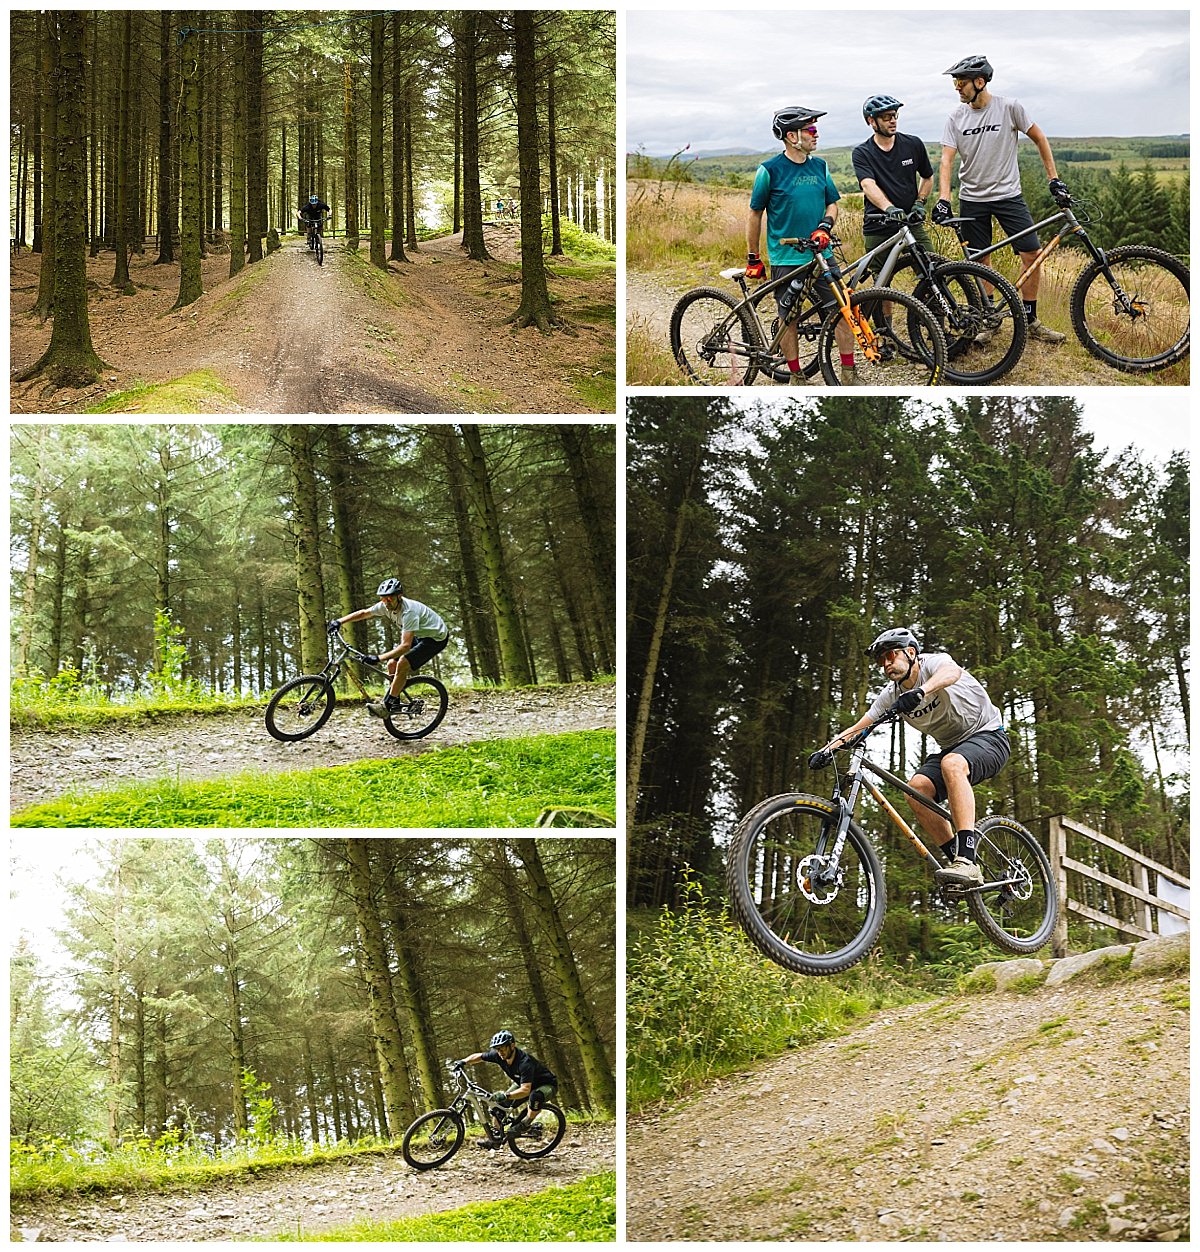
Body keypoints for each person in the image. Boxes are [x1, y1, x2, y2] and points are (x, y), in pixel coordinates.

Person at [811, 627, 1010, 887]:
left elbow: (952, 672)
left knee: (952, 764)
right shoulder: (891, 695)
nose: (886, 664)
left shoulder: (933, 664)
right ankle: (956, 861)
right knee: (916, 790)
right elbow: (860, 727)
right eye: (881, 660)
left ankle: (968, 858)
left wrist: (922, 691)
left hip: (989, 736)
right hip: (953, 746)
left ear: (911, 652)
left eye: (891, 655)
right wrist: (827, 750)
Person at [933, 54, 1068, 344]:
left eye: (961, 82)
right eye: (955, 82)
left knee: (1031, 254)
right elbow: (946, 161)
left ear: (979, 82)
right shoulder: (956, 117)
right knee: (981, 261)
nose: (956, 87)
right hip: (972, 199)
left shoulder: (1009, 107)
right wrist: (944, 198)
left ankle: (1031, 319)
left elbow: (1040, 138)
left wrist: (1053, 180)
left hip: (1009, 196)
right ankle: (990, 318)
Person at [746, 105, 859, 386]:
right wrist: (753, 258)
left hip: (822, 253)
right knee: (789, 318)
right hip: (786, 257)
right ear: (791, 136)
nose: (816, 134)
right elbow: (755, 214)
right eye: (810, 129)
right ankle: (796, 375)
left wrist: (825, 226)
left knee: (843, 310)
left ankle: (849, 372)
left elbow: (832, 202)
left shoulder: (819, 166)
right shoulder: (769, 170)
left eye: (815, 128)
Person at [328, 578, 449, 718]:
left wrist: (378, 658)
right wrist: (339, 621)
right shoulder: (385, 605)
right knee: (392, 664)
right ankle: (395, 702)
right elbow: (364, 613)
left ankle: (387, 706)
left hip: (436, 638)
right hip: (421, 634)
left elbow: (405, 646)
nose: (386, 602)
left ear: (399, 596)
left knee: (403, 663)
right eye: (383, 599)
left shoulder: (409, 612)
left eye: (389, 598)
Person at [852, 95, 935, 271]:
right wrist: (889, 208)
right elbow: (868, 185)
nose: (892, 121)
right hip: (878, 226)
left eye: (894, 115)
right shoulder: (862, 152)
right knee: (881, 283)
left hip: (911, 223)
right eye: (886, 117)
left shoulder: (913, 144)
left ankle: (928, 298)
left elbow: (927, 177)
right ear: (871, 121)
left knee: (932, 269)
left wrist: (920, 203)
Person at [457, 1030, 558, 1148]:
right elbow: (479, 1056)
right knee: (498, 1107)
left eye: (502, 1048)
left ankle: (526, 1123)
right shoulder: (499, 1055)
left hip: (546, 1085)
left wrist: (506, 1095)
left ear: (512, 1045)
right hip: (523, 1083)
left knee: (535, 1096)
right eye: (497, 1049)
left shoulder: (525, 1062)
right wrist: (463, 1062)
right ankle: (495, 1139)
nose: (500, 1052)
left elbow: (525, 1090)